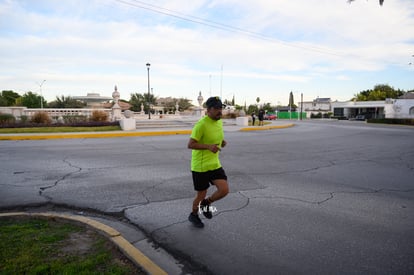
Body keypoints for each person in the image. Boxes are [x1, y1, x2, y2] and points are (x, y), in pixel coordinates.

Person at [187, 96, 229, 228]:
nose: (219, 111)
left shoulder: (219, 122)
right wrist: (208, 146)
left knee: (224, 190)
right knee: (201, 194)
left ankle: (207, 203)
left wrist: (221, 142)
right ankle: (193, 215)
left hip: (214, 164)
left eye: (220, 108)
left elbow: (216, 136)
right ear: (208, 110)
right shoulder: (201, 125)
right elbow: (190, 144)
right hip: (200, 166)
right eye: (216, 109)